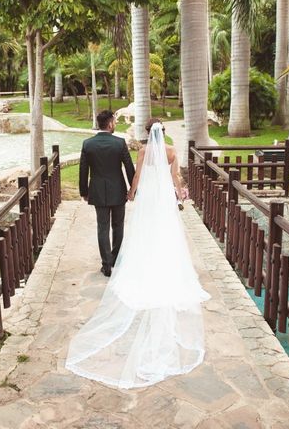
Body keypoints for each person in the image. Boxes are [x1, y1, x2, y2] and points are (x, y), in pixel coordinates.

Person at [66, 118, 210, 389]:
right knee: (164, 232)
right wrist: (179, 195)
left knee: (133, 229)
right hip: (164, 197)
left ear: (147, 133)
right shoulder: (170, 151)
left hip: (146, 197)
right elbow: (176, 176)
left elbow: (137, 174)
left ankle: (111, 262)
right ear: (164, 132)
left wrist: (132, 191)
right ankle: (152, 263)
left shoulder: (142, 151)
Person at [79, 110, 136, 277]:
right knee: (118, 226)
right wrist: (133, 189)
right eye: (115, 122)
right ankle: (115, 259)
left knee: (102, 227)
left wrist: (84, 191)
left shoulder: (87, 144)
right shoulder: (120, 143)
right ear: (110, 123)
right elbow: (129, 167)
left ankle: (106, 265)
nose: (115, 124)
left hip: (97, 191)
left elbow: (83, 171)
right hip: (118, 191)